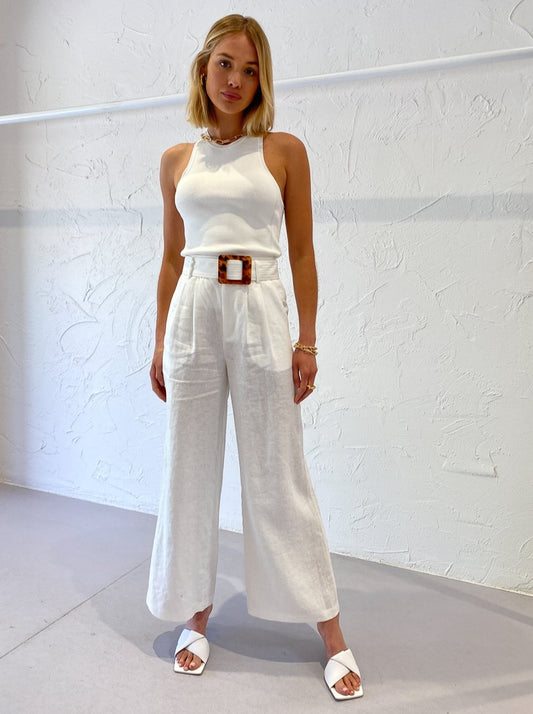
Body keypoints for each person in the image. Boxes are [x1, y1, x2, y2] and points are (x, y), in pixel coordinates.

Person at [147, 14, 363, 701]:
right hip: (194, 308)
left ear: (262, 80)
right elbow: (170, 259)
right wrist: (159, 340)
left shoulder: (282, 151)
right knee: (188, 464)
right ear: (202, 68)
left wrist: (308, 340)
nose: (235, 81)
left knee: (278, 470)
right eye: (225, 65)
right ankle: (195, 613)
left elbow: (301, 252)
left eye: (250, 70)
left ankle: (331, 632)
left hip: (261, 306)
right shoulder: (176, 160)